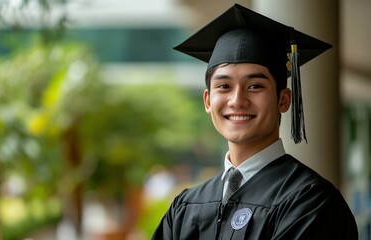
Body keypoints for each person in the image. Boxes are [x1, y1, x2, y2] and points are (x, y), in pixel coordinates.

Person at [152, 4, 358, 240]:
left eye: (255, 86)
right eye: (224, 86)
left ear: (283, 100)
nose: (237, 100)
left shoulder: (310, 202)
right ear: (208, 101)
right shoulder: (186, 206)